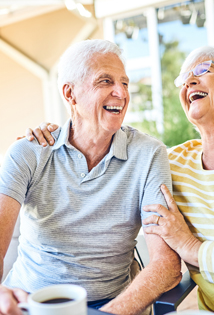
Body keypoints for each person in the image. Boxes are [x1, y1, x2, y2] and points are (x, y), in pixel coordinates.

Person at [22, 46, 214, 314]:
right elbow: (109, 150)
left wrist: (190, 248)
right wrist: (56, 135)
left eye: (202, 70)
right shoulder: (175, 162)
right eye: (183, 78)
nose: (189, 81)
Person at [0, 39, 182, 315]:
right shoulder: (28, 152)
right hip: (28, 303)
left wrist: (108, 314)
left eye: (125, 82)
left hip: (109, 306)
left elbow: (166, 264)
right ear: (70, 94)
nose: (121, 92)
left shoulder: (148, 155)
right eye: (105, 81)